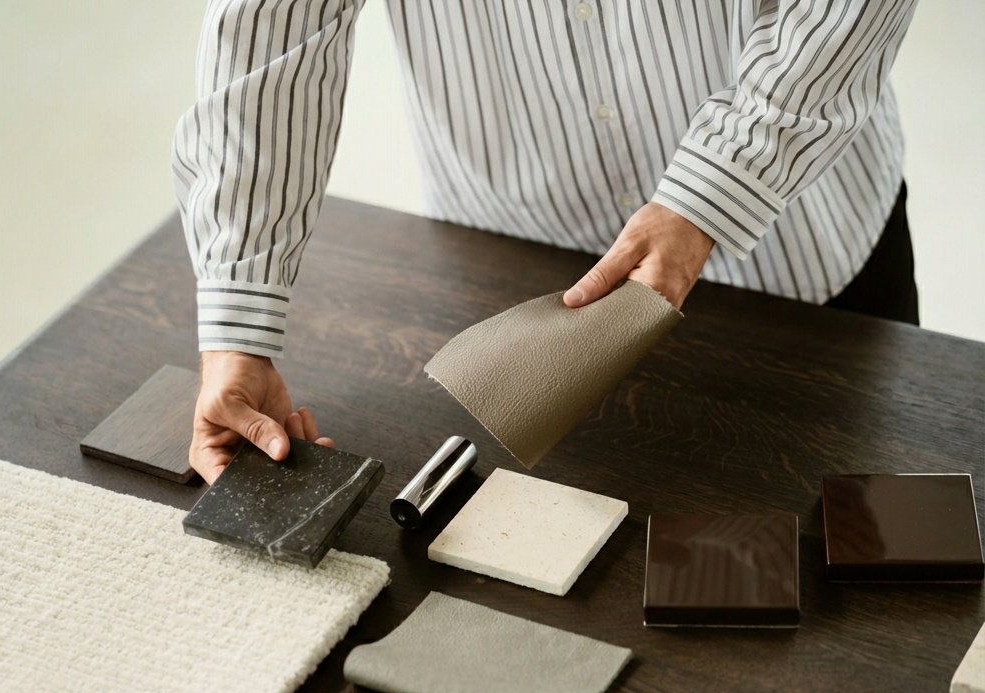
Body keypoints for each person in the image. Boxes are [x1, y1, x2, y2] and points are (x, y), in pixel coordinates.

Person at [173, 0, 918, 483]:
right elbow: (269, 37)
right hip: (521, 283)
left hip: (798, 245)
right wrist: (239, 327)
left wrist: (713, 193)